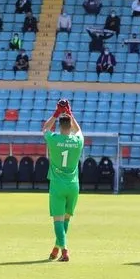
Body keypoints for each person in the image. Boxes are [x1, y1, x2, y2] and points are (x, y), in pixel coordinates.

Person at [42, 100, 84, 262]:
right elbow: (78, 130)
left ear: (59, 126)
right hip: (73, 185)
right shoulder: (77, 141)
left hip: (57, 184)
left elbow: (45, 128)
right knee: (66, 218)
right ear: (70, 125)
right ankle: (56, 249)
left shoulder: (53, 138)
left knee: (58, 220)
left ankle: (65, 250)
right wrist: (70, 113)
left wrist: (56, 113)